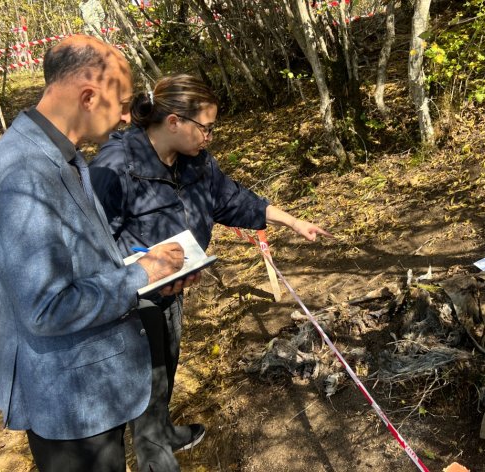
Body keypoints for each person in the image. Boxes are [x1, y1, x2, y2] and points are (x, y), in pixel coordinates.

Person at [0, 35, 195, 471]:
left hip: (94, 385)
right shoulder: (20, 176)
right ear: (89, 97)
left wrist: (153, 272)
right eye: (124, 104)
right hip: (71, 403)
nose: (128, 117)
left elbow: (82, 259)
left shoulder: (60, 155)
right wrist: (140, 276)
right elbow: (46, 308)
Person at [89, 74, 331, 470]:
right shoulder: (115, 168)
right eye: (206, 127)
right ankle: (155, 456)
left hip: (172, 289)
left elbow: (231, 199)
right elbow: (92, 243)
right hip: (130, 301)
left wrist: (293, 222)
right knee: (146, 381)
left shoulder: (194, 162)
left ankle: (163, 430)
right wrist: (142, 269)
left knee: (166, 367)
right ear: (174, 122)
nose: (210, 137)